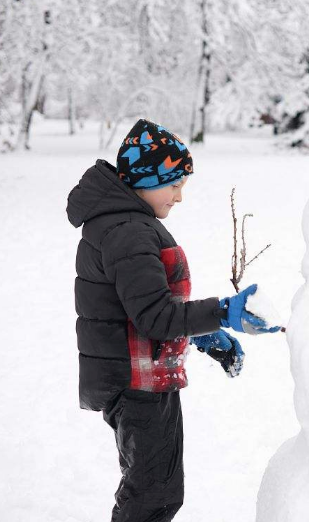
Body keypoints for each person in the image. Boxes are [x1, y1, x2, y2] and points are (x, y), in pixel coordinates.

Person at [66, 119, 280, 522]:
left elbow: (143, 306)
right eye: (174, 184)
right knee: (153, 497)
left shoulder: (125, 224)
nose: (181, 197)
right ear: (146, 179)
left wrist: (201, 333)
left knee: (155, 490)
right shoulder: (129, 231)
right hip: (137, 383)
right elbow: (154, 316)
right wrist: (223, 311)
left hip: (139, 375)